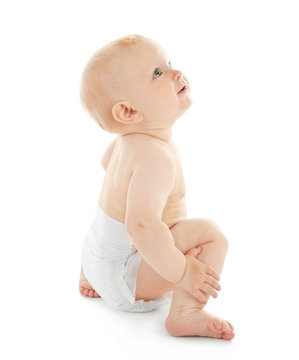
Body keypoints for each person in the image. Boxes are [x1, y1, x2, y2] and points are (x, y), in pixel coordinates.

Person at [79, 34, 235, 340]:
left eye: (169, 64)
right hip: (125, 280)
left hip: (93, 262)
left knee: (117, 222)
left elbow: (105, 164)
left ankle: (91, 273)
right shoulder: (155, 159)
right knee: (211, 234)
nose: (176, 73)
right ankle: (185, 312)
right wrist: (184, 271)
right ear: (129, 112)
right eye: (157, 73)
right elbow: (141, 226)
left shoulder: (125, 143)